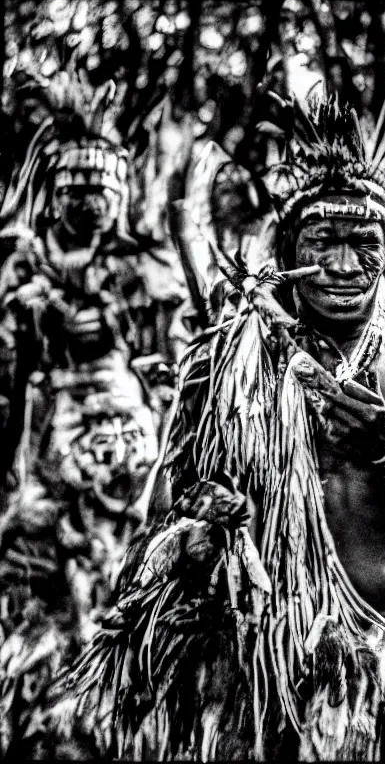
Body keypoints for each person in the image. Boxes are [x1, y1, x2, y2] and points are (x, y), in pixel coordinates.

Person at [62, 84, 385, 761]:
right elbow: (172, 504)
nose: (345, 266)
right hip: (261, 666)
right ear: (289, 244)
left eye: (365, 244)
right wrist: (208, 527)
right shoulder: (227, 357)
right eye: (324, 240)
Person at [0, 70, 188, 758]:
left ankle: (117, 717)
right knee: (38, 578)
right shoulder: (19, 268)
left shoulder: (141, 269)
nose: (94, 204)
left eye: (105, 191)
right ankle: (49, 721)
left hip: (128, 443)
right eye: (78, 190)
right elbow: (8, 381)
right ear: (51, 192)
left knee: (122, 579)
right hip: (42, 440)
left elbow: (171, 372)